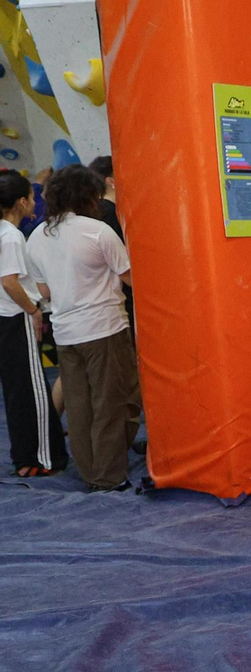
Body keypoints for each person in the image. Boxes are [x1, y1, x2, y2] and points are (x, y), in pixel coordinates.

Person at [25, 164, 140, 491]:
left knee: (79, 405)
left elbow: (43, 291)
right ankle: (109, 476)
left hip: (65, 330)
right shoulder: (97, 231)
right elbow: (130, 277)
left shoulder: (37, 236)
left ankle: (91, 472)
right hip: (104, 328)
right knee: (111, 402)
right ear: (88, 195)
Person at [0, 170, 66, 476]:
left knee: (17, 392)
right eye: (31, 195)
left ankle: (25, 457)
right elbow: (9, 281)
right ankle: (41, 458)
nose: (36, 201)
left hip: (5, 319)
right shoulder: (12, 235)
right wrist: (32, 310)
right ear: (20, 202)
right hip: (17, 318)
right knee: (34, 390)